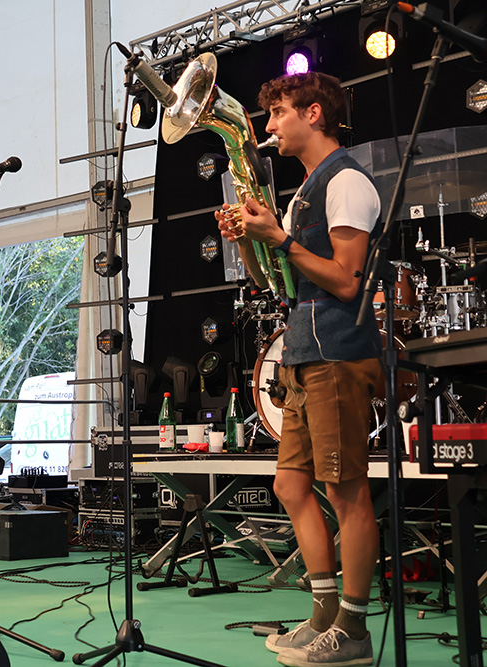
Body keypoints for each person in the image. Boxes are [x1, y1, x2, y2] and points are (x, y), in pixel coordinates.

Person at [216, 72, 382, 667]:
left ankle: (355, 631)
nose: (269, 126)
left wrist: (281, 238)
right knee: (290, 484)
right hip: (305, 353)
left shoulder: (347, 182)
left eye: (279, 112)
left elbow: (345, 278)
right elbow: (271, 281)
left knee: (346, 490)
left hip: (340, 351)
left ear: (314, 113)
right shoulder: (306, 189)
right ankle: (322, 615)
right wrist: (247, 237)